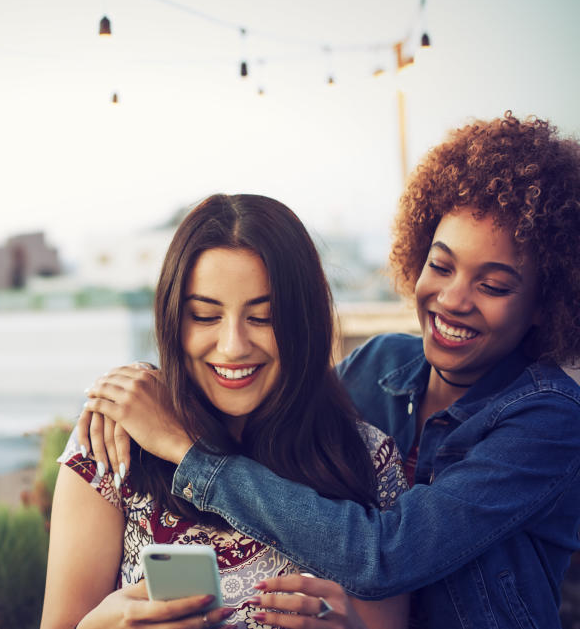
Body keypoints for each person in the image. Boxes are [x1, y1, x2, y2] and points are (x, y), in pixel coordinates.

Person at [80, 112, 580, 629]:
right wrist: (147, 388)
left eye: (493, 285)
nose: (452, 300)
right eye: (441, 265)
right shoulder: (382, 362)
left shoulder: (551, 420)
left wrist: (186, 452)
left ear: (548, 300)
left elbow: (384, 556)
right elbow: (267, 388)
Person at [41, 194, 410, 629]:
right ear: (172, 320)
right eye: (205, 316)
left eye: (264, 317)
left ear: (304, 322)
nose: (233, 346)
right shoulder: (112, 448)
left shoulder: (368, 460)